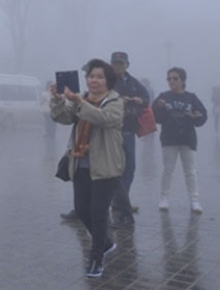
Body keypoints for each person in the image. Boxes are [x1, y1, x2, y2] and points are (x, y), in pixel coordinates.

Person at [51, 58, 124, 279]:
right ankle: (106, 243)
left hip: (106, 167)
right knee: (81, 209)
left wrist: (80, 103)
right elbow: (62, 117)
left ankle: (96, 259)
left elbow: (102, 119)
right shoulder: (80, 99)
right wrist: (57, 101)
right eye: (91, 76)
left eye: (100, 77)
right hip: (80, 164)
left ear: (108, 81)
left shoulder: (115, 102)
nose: (94, 80)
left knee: (98, 213)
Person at [153, 67, 208, 213]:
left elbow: (202, 115)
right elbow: (155, 116)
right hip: (169, 138)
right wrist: (159, 108)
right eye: (169, 78)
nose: (172, 81)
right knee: (168, 169)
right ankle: (164, 198)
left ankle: (194, 200)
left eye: (175, 78)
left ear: (183, 80)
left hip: (187, 138)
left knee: (190, 170)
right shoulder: (163, 96)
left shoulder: (191, 97)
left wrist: (197, 116)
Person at [109, 51, 149, 228]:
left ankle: (121, 201)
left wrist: (139, 103)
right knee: (113, 168)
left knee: (129, 167)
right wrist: (118, 101)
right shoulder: (107, 81)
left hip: (129, 130)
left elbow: (147, 100)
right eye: (115, 63)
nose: (117, 66)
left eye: (121, 63)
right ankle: (118, 202)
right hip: (111, 130)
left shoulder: (134, 83)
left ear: (127, 64)